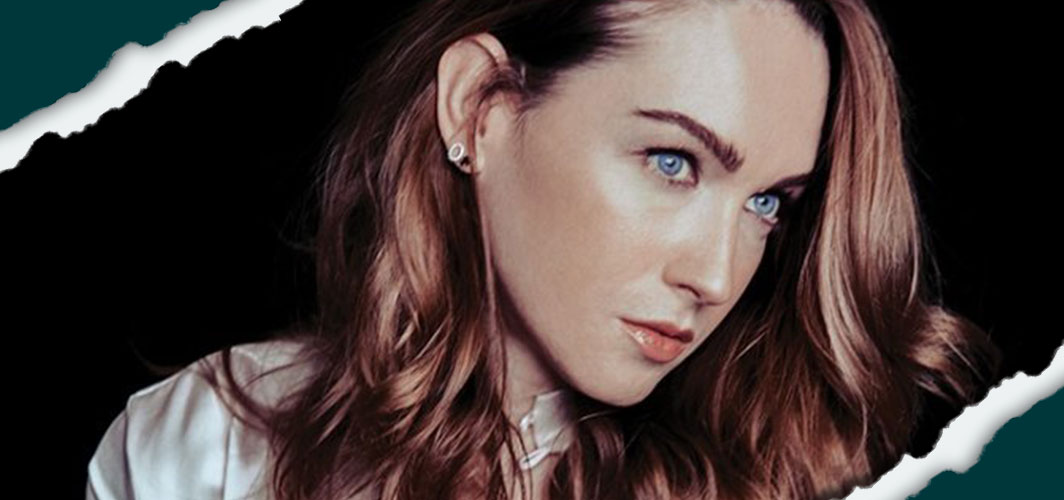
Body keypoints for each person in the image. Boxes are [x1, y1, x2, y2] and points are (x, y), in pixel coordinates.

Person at [86, 0, 998, 499]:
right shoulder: (203, 446)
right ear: (480, 106)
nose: (716, 277)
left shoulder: (761, 475)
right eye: (673, 162)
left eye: (768, 203)